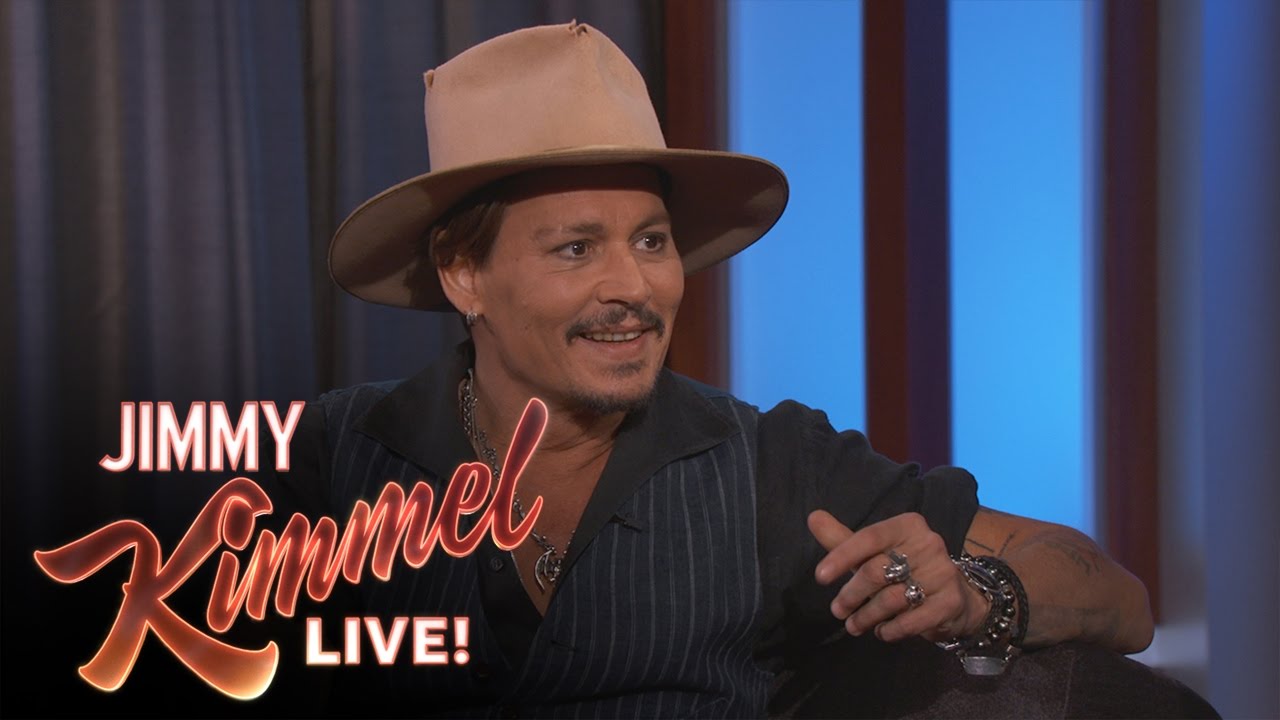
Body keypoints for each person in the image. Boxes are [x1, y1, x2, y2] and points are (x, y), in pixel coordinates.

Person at [273, 21, 1158, 718]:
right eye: (577, 248)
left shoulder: (773, 464)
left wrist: (979, 595)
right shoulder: (329, 456)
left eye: (652, 242)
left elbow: (1119, 598)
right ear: (465, 274)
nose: (635, 289)